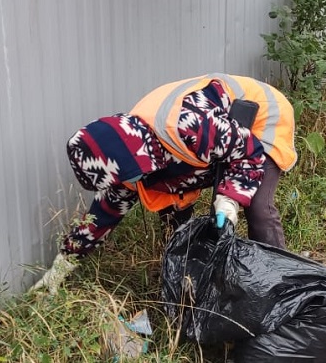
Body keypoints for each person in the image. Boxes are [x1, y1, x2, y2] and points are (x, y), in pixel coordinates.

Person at [32, 74, 297, 293]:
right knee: (169, 206)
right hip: (216, 139)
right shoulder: (126, 161)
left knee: (258, 207)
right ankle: (192, 277)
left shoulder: (188, 126)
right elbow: (100, 219)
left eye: (127, 176)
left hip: (261, 117)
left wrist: (229, 198)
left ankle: (280, 285)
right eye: (121, 180)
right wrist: (61, 266)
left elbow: (247, 152)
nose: (127, 183)